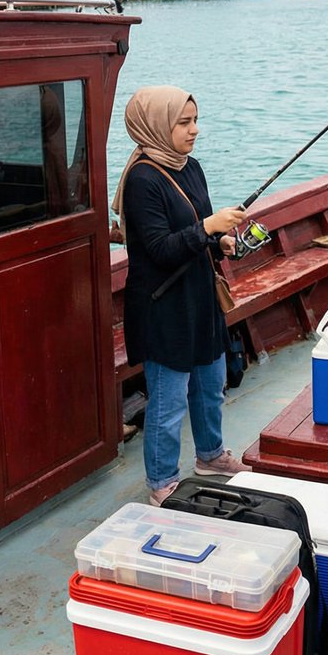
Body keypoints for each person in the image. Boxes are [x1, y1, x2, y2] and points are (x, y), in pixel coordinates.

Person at [111, 86, 251, 507]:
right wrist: (209, 228)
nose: (194, 130)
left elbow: (192, 233)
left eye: (195, 120)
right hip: (162, 306)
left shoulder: (191, 167)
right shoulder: (142, 180)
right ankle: (163, 482)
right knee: (168, 401)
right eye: (183, 123)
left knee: (211, 384)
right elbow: (158, 250)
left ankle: (210, 456)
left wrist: (218, 243)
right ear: (156, 125)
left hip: (200, 297)